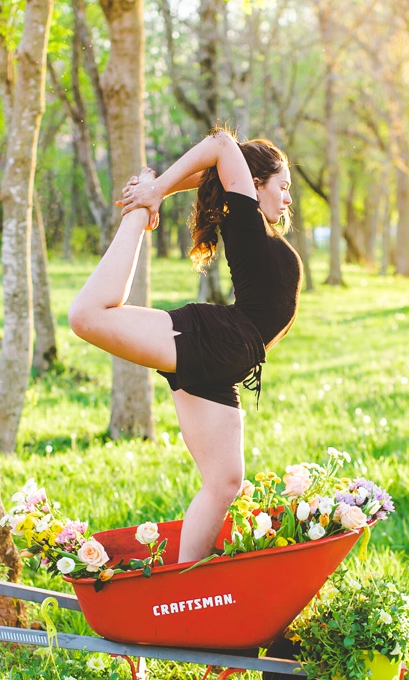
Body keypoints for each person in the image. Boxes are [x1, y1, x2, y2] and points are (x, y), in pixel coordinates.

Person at [67, 126, 297, 562]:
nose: (287, 199)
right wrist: (153, 194)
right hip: (217, 340)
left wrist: (159, 189)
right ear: (256, 184)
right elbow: (220, 146)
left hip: (225, 362)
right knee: (88, 316)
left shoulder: (250, 220)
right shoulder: (248, 221)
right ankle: (135, 219)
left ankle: (186, 586)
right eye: (282, 187)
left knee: (225, 482)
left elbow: (215, 169)